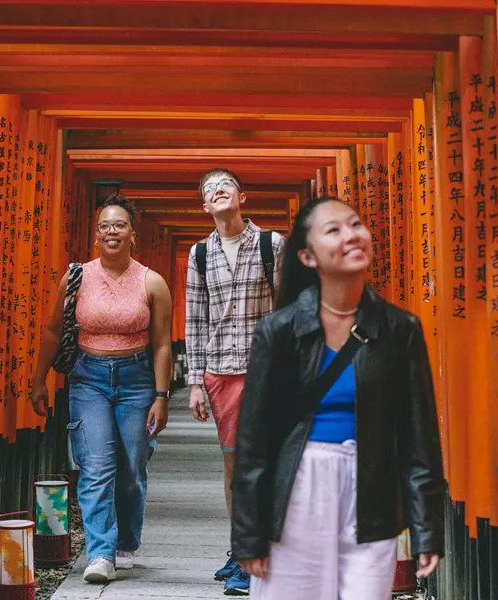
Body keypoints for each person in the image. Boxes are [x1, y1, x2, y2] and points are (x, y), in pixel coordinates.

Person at [229, 197, 447, 599]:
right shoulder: (279, 332)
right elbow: (254, 441)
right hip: (297, 487)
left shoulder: (400, 329)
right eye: (334, 230)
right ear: (307, 256)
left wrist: (427, 528)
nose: (352, 236)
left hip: (373, 492)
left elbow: (419, 437)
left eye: (356, 224)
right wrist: (249, 534)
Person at [30, 194, 173, 583]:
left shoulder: (152, 282)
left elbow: (162, 343)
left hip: (137, 380)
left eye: (119, 225)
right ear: (96, 235)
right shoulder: (77, 277)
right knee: (96, 467)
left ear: (132, 235)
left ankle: (126, 541)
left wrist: (161, 397)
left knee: (132, 468)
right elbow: (53, 330)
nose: (112, 231)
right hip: (88, 377)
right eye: (105, 226)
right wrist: (38, 379)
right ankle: (100, 554)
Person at [184, 168, 285, 595]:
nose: (218, 190)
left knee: (259, 464)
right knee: (232, 466)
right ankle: (241, 548)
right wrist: (194, 382)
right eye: (210, 188)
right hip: (220, 371)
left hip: (266, 371)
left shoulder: (271, 244)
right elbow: (195, 320)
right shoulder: (199, 254)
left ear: (242, 197)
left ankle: (257, 556)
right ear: (204, 206)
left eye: (225, 184)